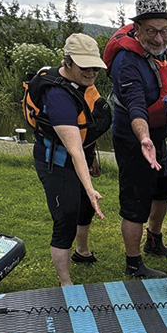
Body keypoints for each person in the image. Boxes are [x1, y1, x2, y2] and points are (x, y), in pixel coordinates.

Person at [103, 0, 167, 279]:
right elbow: (136, 106)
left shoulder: (159, 53)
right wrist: (144, 138)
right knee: (136, 202)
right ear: (137, 28)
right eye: (152, 31)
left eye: (164, 31)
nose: (159, 37)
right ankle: (134, 262)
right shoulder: (127, 61)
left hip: (158, 136)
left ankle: (154, 240)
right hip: (133, 139)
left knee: (162, 190)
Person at [24, 33, 111, 286]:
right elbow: (74, 149)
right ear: (68, 62)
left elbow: (88, 125)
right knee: (66, 217)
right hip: (57, 162)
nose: (91, 72)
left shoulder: (81, 83)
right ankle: (65, 282)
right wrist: (90, 188)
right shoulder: (59, 97)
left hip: (79, 158)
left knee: (84, 209)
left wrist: (92, 157)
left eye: (95, 66)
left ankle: (82, 252)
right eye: (85, 67)